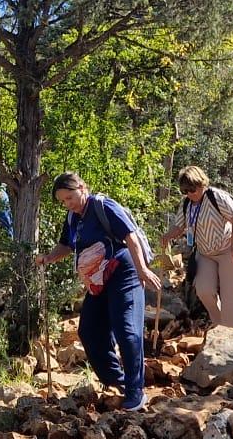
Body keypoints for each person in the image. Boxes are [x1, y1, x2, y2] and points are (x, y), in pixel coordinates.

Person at [37, 172, 163, 410]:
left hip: (124, 272)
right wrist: (48, 258)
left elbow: (131, 237)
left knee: (127, 331)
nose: (68, 204)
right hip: (97, 279)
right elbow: (67, 244)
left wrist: (142, 270)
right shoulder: (74, 218)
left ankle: (136, 391)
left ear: (82, 187)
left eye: (70, 197)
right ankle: (117, 379)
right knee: (89, 330)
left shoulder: (103, 206)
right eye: (63, 201)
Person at [163, 166, 233, 328]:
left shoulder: (216, 197)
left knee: (230, 298)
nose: (189, 193)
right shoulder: (187, 204)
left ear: (201, 184)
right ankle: (220, 326)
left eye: (192, 189)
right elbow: (179, 226)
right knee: (204, 290)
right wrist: (167, 236)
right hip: (206, 254)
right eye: (185, 190)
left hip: (229, 250)